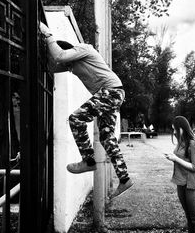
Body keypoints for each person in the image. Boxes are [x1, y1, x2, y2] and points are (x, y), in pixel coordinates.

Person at [39, 22, 133, 198]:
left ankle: (88, 160)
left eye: (68, 59)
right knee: (107, 137)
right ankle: (124, 178)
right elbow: (53, 66)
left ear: (71, 52)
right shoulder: (73, 64)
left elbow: (59, 56)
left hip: (110, 91)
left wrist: (47, 34)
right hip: (114, 93)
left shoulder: (84, 49)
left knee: (76, 119)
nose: (68, 65)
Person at [165, 116, 195, 233]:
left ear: (182, 128)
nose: (174, 132)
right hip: (181, 182)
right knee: (188, 217)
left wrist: (175, 159)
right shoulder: (181, 142)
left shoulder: (193, 144)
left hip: (191, 185)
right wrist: (172, 157)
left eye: (175, 129)